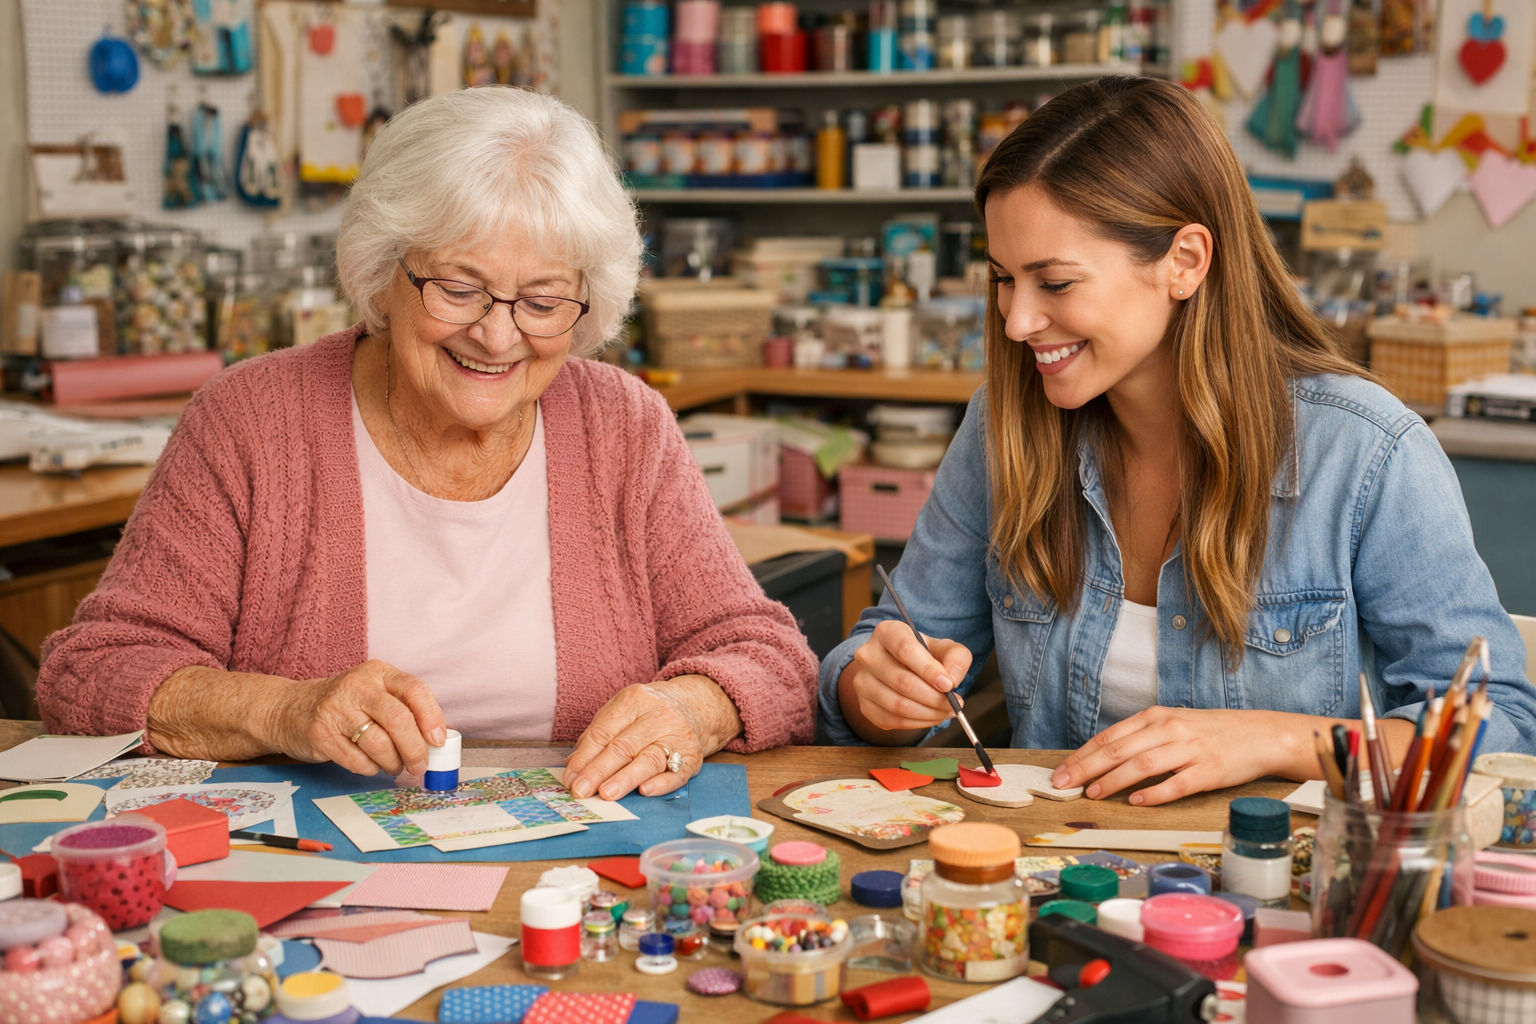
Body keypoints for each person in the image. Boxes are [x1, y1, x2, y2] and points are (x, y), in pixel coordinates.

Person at [38, 87, 818, 801]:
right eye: (458, 287)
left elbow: (772, 659)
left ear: (586, 307)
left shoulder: (624, 426)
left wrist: (693, 706)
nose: (497, 333)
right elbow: (90, 674)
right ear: (384, 271)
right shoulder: (250, 421)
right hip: (309, 875)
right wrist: (284, 708)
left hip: (584, 876)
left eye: (543, 301)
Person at [820, 76, 1535, 805]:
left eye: (1056, 284)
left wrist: (1280, 740)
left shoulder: (1365, 452)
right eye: (1004, 280)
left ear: (1185, 262)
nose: (1016, 322)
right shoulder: (1002, 425)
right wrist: (871, 689)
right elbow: (887, 645)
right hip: (1062, 886)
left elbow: (1501, 726)